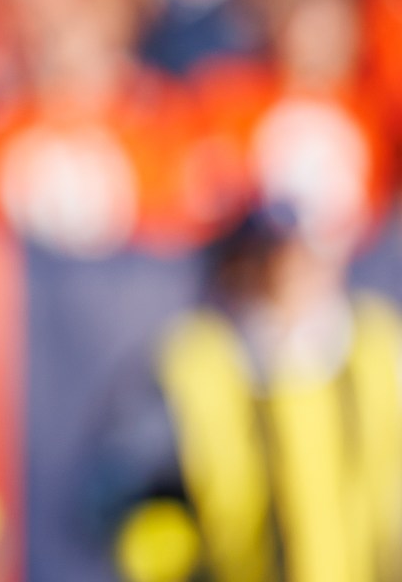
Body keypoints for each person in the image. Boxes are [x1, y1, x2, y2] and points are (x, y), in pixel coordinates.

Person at [84, 202, 402, 582]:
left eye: (306, 257)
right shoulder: (194, 363)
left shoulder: (378, 346)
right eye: (272, 258)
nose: (291, 274)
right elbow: (125, 499)